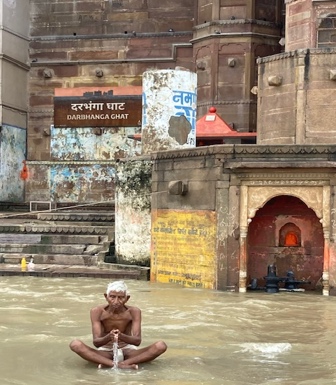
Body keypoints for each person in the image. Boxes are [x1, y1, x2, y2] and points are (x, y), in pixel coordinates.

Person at [69, 280, 167, 369]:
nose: (116, 301)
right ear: (106, 297)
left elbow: (137, 341)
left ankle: (118, 364)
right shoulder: (97, 311)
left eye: (120, 298)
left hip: (128, 351)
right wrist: (109, 337)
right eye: (112, 297)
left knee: (160, 346)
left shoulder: (134, 311)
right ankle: (117, 364)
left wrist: (121, 336)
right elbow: (97, 342)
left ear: (127, 298)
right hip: (105, 351)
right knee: (75, 344)